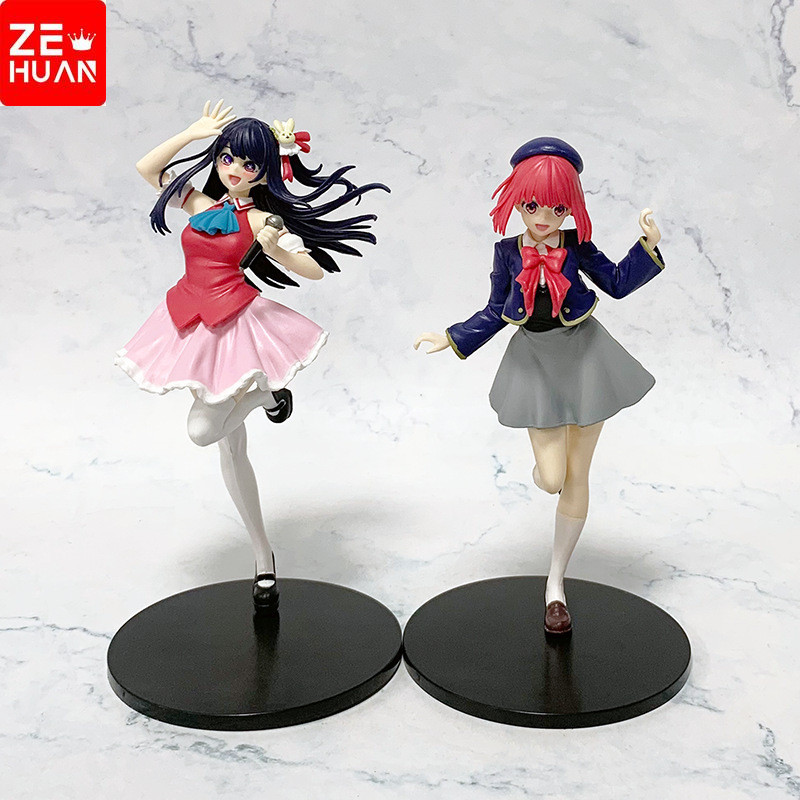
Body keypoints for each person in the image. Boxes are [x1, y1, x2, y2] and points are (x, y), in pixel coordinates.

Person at [116, 100, 388, 612]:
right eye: (227, 159)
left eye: (248, 164)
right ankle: (263, 558)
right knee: (231, 449)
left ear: (264, 171)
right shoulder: (198, 203)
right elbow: (147, 169)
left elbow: (312, 270)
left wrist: (275, 247)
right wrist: (193, 132)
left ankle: (265, 395)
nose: (235, 170)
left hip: (235, 324)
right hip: (188, 320)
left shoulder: (264, 217)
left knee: (202, 431)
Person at [415, 137, 663, 634]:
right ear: (516, 203)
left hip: (586, 358)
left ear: (570, 207)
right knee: (552, 478)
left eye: (556, 207)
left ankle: (555, 585)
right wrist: (452, 336)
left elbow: (615, 282)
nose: (544, 217)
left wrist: (648, 248)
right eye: (531, 206)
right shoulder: (508, 252)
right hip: (535, 362)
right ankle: (549, 483)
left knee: (577, 476)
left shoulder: (575, 246)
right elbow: (495, 310)